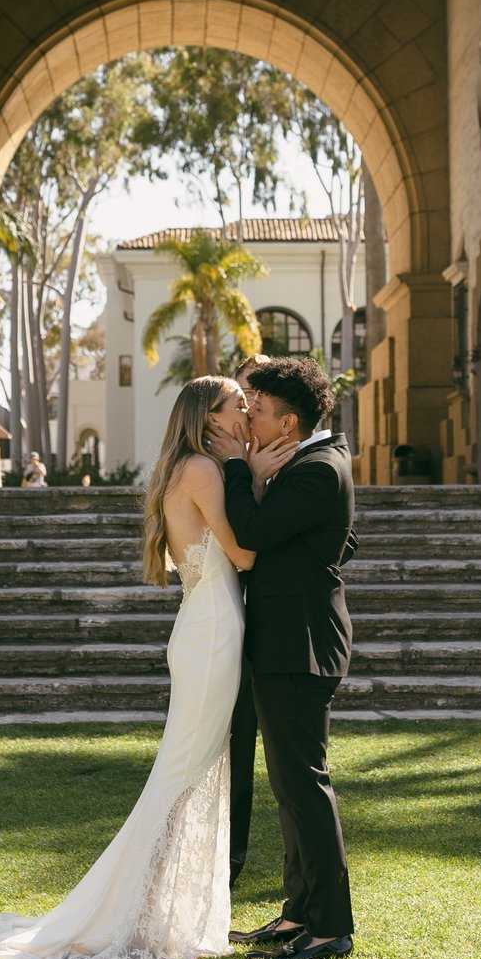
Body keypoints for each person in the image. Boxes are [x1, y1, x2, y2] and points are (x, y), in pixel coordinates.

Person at [0, 375, 282, 959]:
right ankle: (125, 915)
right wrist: (256, 476)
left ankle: (149, 909)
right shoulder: (206, 472)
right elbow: (245, 554)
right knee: (180, 777)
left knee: (187, 777)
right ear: (210, 418)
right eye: (239, 406)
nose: (247, 414)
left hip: (208, 629)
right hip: (211, 635)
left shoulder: (193, 468)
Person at [212, 355, 358, 959]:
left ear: (289, 423)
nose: (251, 422)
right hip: (285, 640)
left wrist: (236, 469)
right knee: (290, 789)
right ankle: (298, 913)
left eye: (261, 412)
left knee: (304, 786)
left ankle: (330, 926)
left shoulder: (319, 470)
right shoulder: (307, 463)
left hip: (299, 645)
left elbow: (250, 532)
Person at [225, 353, 268, 888]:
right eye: (244, 396)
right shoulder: (215, 462)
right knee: (229, 747)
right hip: (223, 616)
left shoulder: (296, 458)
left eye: (259, 397)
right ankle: (225, 865)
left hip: (278, 623)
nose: (251, 406)